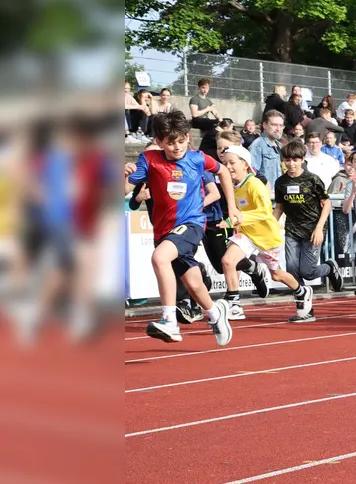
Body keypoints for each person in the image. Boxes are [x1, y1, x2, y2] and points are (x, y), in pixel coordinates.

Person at [123, 110, 235, 345]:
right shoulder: (149, 160)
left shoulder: (197, 158)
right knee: (193, 283)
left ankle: (169, 321)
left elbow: (223, 172)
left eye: (181, 141)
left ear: (187, 137)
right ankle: (216, 314)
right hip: (164, 230)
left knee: (159, 258)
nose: (177, 147)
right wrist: (125, 174)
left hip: (192, 224)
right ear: (159, 141)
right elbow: (125, 190)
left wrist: (232, 207)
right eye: (170, 143)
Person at [217, 145, 315, 322]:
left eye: (232, 163)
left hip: (266, 237)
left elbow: (264, 212)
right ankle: (234, 304)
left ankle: (302, 291)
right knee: (227, 261)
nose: (228, 167)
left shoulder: (254, 184)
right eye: (225, 163)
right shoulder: (233, 186)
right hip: (247, 234)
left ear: (245, 164)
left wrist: (236, 219)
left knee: (276, 275)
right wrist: (235, 225)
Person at [274, 139, 339, 297]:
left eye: (295, 160)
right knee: (292, 270)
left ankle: (330, 268)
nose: (291, 164)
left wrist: (319, 229)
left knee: (308, 272)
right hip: (292, 230)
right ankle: (303, 301)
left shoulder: (313, 180)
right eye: (287, 160)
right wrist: (271, 225)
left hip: (312, 230)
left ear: (302, 160)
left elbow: (327, 204)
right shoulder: (281, 182)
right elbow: (280, 207)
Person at [248, 109, 285, 191]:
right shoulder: (257, 146)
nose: (278, 129)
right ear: (264, 125)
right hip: (265, 197)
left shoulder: (280, 146)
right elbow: (252, 173)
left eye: (281, 125)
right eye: (274, 125)